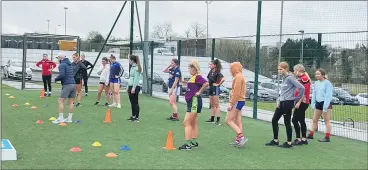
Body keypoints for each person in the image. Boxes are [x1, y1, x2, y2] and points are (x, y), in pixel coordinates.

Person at [265, 62, 305, 148]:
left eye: (281, 69)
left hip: (288, 103)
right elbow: (283, 92)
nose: (279, 71)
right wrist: (279, 100)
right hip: (282, 103)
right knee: (274, 120)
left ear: (286, 69)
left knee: (287, 122)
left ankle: (289, 143)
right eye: (278, 69)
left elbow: (302, 88)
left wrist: (297, 99)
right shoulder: (284, 78)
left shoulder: (290, 78)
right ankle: (275, 140)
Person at [179, 59, 209, 151]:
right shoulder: (194, 77)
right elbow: (192, 86)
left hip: (194, 102)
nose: (189, 69)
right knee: (193, 122)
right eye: (189, 68)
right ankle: (194, 142)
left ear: (195, 69)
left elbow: (206, 83)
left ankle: (188, 145)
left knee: (186, 123)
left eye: (191, 68)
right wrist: (184, 82)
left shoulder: (198, 76)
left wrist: (199, 92)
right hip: (192, 102)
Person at [307, 68, 333, 142]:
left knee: (326, 120)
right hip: (318, 103)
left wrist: (325, 105)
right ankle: (311, 134)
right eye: (316, 74)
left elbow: (328, 95)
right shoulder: (316, 83)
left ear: (323, 75)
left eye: (318, 74)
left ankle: (327, 137)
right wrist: (313, 102)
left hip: (325, 103)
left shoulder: (327, 83)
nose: (316, 75)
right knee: (315, 119)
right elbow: (314, 93)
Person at [226, 62, 247, 147]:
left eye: (231, 68)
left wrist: (231, 103)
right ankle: (239, 140)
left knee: (228, 120)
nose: (230, 70)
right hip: (240, 101)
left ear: (235, 68)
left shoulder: (238, 77)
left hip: (237, 101)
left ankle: (241, 137)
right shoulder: (240, 77)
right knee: (238, 120)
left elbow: (236, 92)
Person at [53, 53, 76, 124]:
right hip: (73, 84)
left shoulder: (62, 65)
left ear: (61, 58)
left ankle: (61, 118)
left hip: (67, 85)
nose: (57, 59)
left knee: (60, 101)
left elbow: (62, 75)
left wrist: (55, 79)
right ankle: (69, 119)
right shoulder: (70, 64)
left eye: (58, 58)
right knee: (71, 102)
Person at [292, 64, 311, 145]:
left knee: (295, 119)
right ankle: (302, 139)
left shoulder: (304, 79)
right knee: (301, 120)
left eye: (294, 70)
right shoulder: (302, 78)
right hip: (301, 102)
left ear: (298, 70)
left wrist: (298, 102)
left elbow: (303, 91)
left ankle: (300, 138)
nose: (294, 72)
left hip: (302, 102)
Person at [205, 59, 225, 126]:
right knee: (212, 104)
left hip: (215, 89)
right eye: (210, 64)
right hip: (211, 88)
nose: (210, 65)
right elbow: (208, 79)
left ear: (215, 65)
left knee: (216, 105)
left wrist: (218, 84)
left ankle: (218, 121)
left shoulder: (217, 72)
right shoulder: (211, 71)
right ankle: (212, 119)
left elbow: (223, 79)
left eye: (211, 64)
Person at [127, 55, 142, 122]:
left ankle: (136, 117)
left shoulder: (136, 68)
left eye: (129, 60)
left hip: (135, 87)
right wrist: (128, 87)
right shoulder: (132, 67)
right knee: (132, 102)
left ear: (132, 60)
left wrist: (133, 88)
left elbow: (136, 79)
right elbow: (130, 78)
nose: (129, 61)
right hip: (131, 86)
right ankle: (133, 116)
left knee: (135, 102)